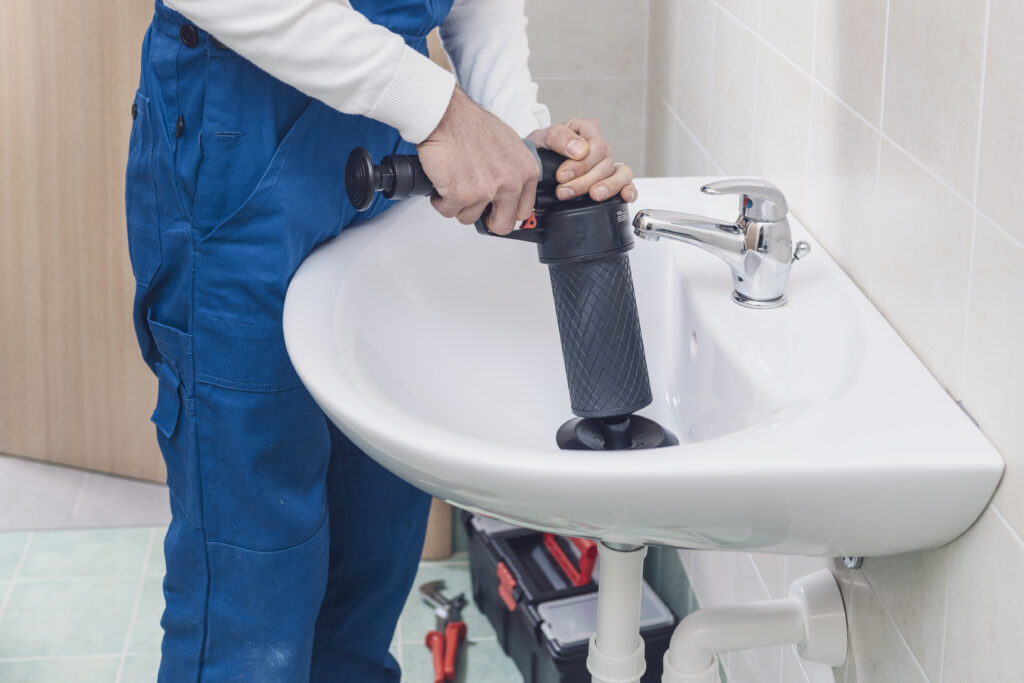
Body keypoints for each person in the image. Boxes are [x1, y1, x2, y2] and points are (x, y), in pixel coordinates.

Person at [124, 0, 637, 680]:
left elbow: (479, 10)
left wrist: (513, 138)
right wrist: (444, 111)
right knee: (252, 591)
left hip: (389, 140)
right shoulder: (424, 104)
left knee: (370, 557)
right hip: (242, 141)